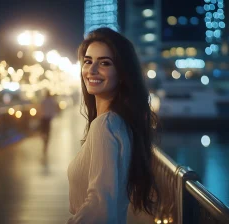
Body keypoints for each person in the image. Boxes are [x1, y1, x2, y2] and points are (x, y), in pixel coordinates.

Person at [67, 28, 160, 223]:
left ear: (123, 73)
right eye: (88, 61)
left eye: (104, 63)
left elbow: (100, 207)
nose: (91, 70)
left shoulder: (105, 125)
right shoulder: (120, 122)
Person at [39, 89, 58, 156]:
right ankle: (46, 140)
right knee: (47, 130)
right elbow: (53, 109)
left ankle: (44, 139)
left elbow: (41, 108)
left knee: (44, 130)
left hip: (44, 117)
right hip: (48, 117)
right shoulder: (51, 101)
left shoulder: (44, 100)